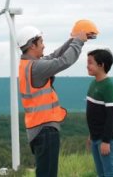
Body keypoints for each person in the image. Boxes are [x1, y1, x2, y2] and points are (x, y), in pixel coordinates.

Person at [17, 20, 98, 177]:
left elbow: (55, 56)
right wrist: (78, 43)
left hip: (38, 129)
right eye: (41, 42)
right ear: (32, 45)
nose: (44, 45)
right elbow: (63, 61)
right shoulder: (37, 68)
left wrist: (73, 39)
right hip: (44, 130)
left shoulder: (28, 65)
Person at [86, 49, 113, 177]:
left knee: (110, 173)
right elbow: (94, 114)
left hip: (106, 139)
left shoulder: (108, 86)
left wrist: (106, 141)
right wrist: (91, 134)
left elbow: (111, 116)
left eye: (90, 63)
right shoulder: (93, 83)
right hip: (95, 137)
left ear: (101, 65)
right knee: (101, 173)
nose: (87, 66)